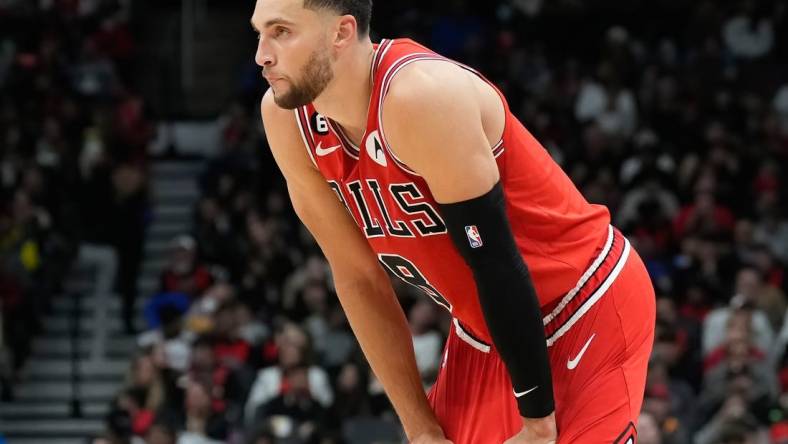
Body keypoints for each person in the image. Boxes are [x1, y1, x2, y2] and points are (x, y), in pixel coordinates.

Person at [251, 0, 656, 442]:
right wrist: (419, 427)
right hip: (488, 323)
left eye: (281, 32)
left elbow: (494, 261)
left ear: (342, 33)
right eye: (259, 33)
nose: (262, 54)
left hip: (584, 300)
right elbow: (358, 279)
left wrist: (539, 426)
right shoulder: (286, 120)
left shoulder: (419, 97)